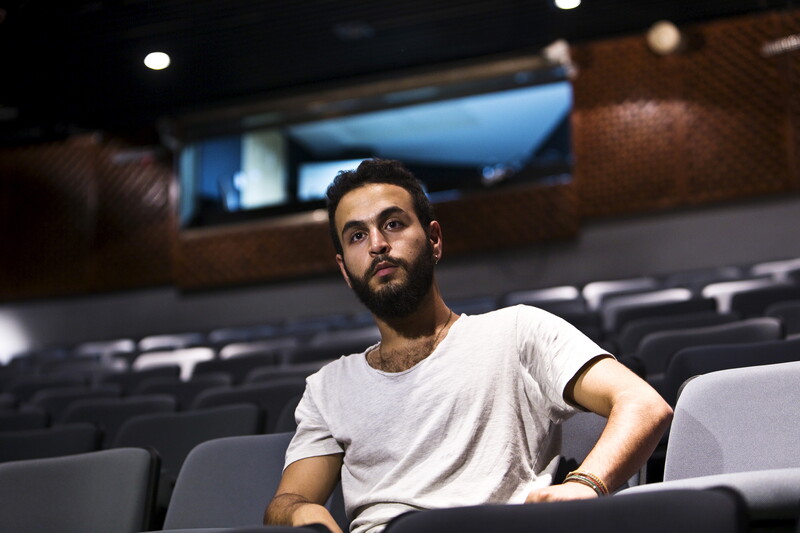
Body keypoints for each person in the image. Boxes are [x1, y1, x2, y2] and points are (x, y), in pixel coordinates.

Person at [264, 159, 672, 533]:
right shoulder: (328, 387)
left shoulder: (517, 331)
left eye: (392, 224)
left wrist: (584, 485)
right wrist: (301, 512)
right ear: (345, 271)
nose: (376, 245)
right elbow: (286, 501)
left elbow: (644, 405)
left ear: (434, 239)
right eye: (356, 235)